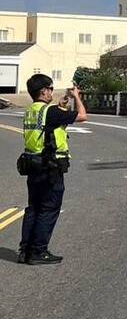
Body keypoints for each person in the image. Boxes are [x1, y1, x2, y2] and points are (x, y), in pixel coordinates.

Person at [18, 74, 87, 265]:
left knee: (34, 208)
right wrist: (76, 97)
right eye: (50, 88)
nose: (51, 91)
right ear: (44, 91)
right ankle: (39, 251)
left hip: (32, 165)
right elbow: (82, 116)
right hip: (49, 168)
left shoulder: (31, 110)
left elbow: (48, 127)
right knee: (48, 209)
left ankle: (25, 251)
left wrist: (61, 106)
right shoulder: (50, 112)